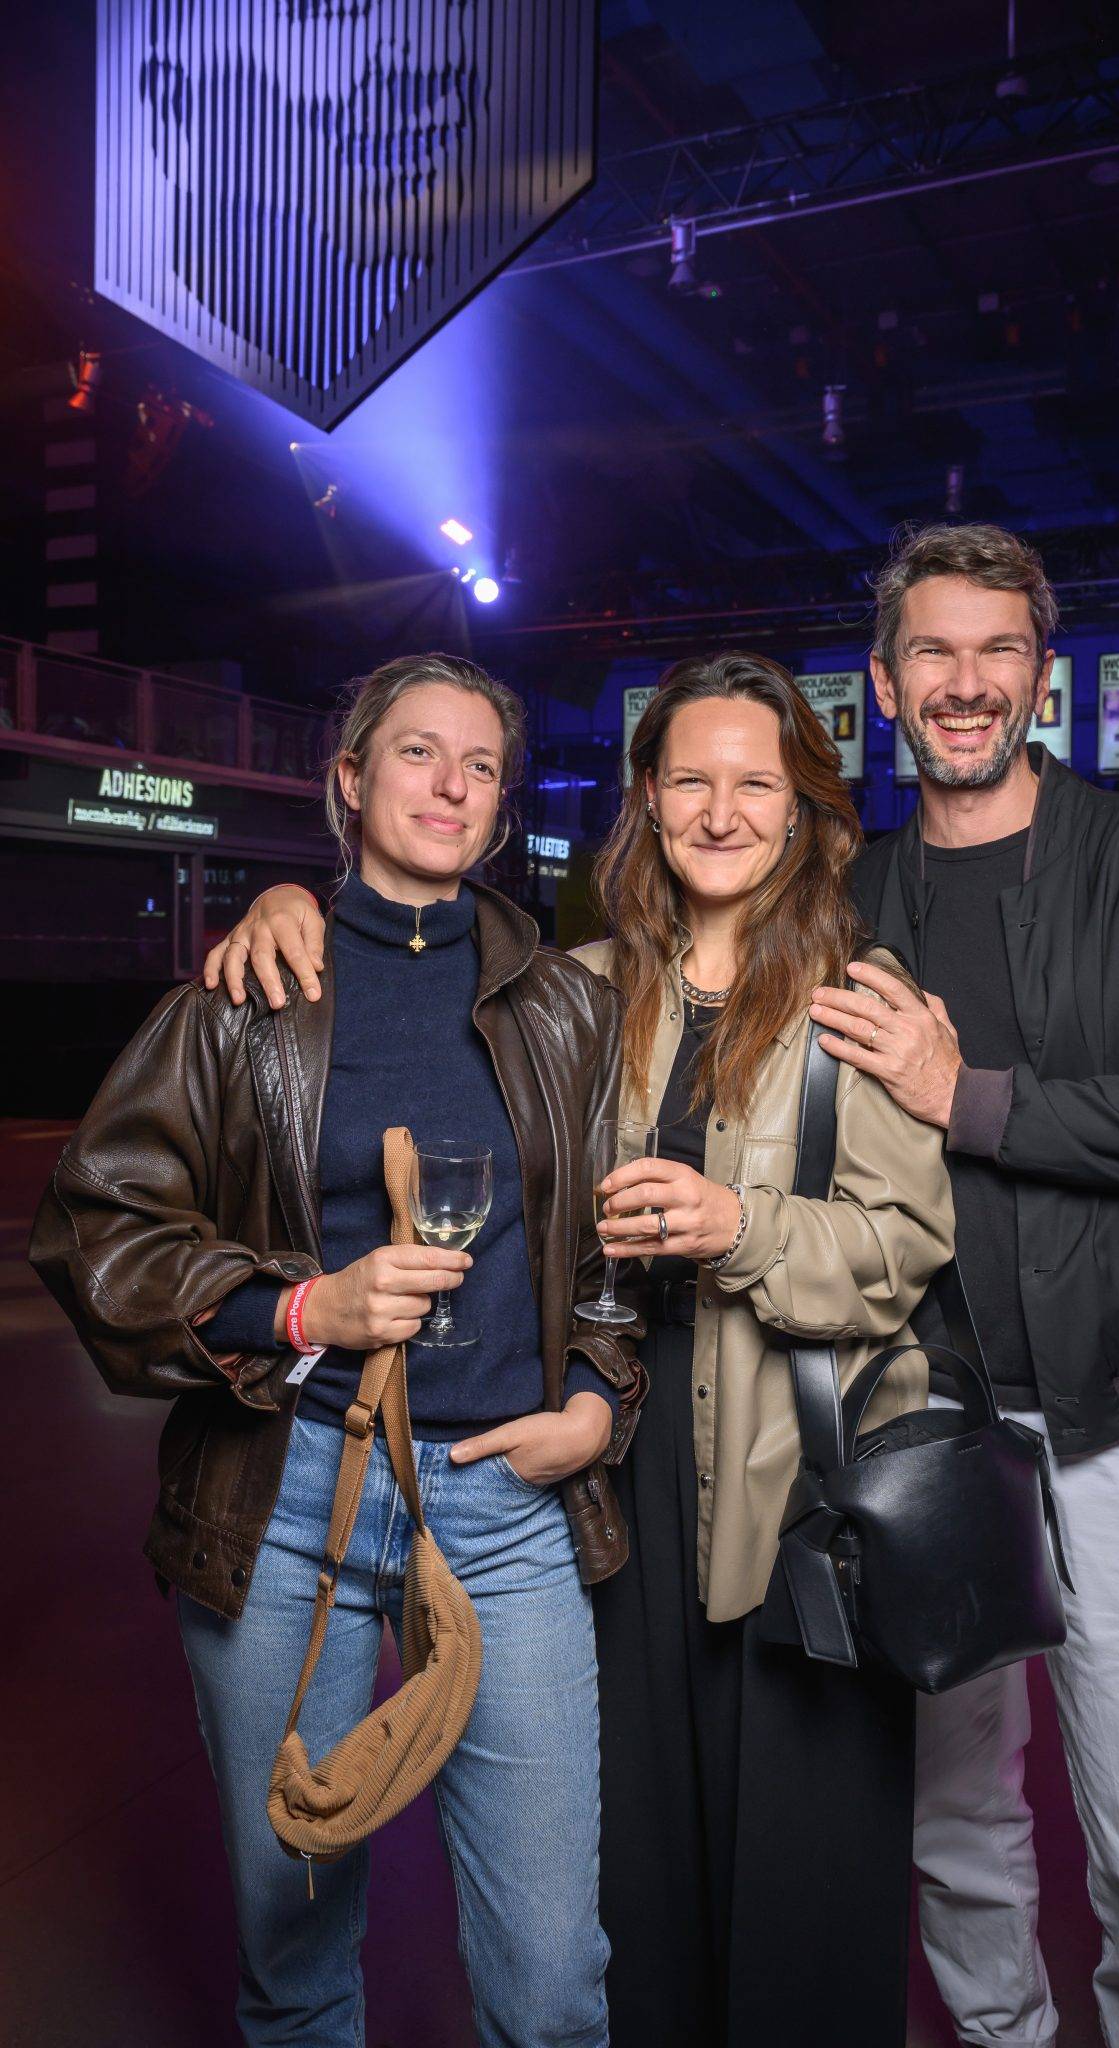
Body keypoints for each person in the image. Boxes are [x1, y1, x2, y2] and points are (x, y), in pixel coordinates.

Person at [203, 652, 956, 2048]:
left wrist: (739, 1223)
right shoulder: (578, 987)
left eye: (756, 782)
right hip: (597, 1467)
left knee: (799, 1856)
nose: (722, 811)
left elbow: (903, 1253)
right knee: (620, 1867)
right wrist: (290, 894)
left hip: (788, 1473)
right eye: (689, 781)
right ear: (645, 805)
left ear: (801, 812)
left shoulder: (859, 993)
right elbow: (403, 973)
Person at [31, 653, 643, 2048]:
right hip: (288, 1494)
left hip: (508, 1503)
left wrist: (602, 1401)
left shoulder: (565, 1009)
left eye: (481, 766)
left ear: (499, 811)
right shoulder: (248, 993)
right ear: (349, 781)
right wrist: (303, 1310)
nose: (451, 785)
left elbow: (611, 1260)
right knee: (296, 1953)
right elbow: (93, 1229)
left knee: (554, 1982)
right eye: (418, 754)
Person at [808, 523, 1119, 2048]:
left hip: (1118, 1429)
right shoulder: (852, 900)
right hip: (928, 1430)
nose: (965, 683)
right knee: (956, 1822)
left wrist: (974, 1097)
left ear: (1042, 677)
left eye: (997, 650)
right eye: (932, 652)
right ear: (884, 686)